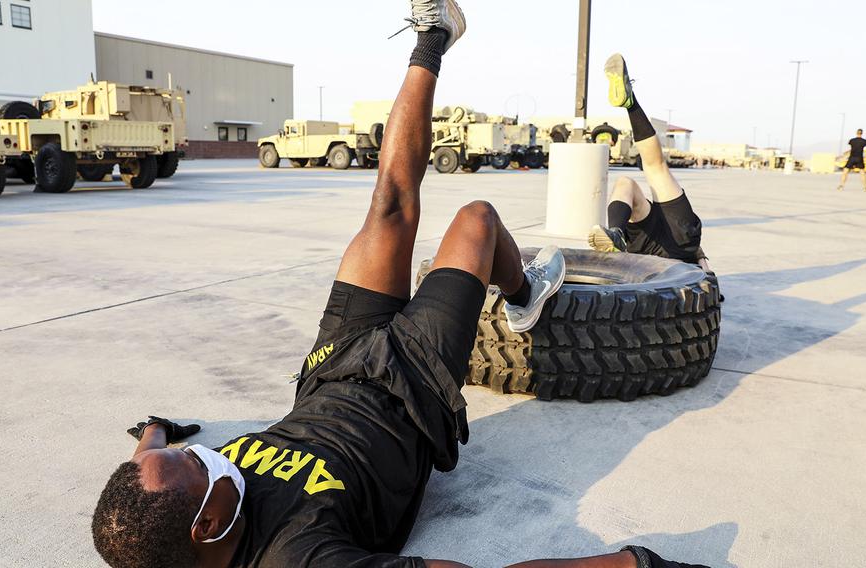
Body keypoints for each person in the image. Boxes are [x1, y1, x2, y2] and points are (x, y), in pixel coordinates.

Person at [91, 4, 710, 568]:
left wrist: (158, 437)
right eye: (200, 467)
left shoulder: (169, 512)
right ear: (214, 523)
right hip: (405, 392)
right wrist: (633, 566)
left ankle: (432, 38)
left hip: (331, 369)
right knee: (477, 219)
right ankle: (526, 295)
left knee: (388, 204)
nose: (210, 456)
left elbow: (144, 477)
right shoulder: (296, 555)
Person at [587, 54, 714, 275]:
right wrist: (705, 268)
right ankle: (630, 103)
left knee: (630, 180)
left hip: (644, 249)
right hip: (679, 245)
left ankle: (617, 232)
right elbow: (704, 276)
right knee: (654, 166)